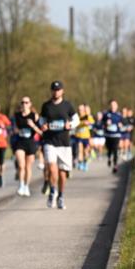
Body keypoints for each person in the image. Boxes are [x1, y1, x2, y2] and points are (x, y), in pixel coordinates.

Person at [39, 80, 78, 210]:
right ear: (51, 91)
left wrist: (70, 125)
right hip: (50, 141)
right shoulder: (46, 106)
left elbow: (76, 119)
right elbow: (42, 119)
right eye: (54, 90)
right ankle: (52, 192)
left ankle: (60, 196)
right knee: (52, 168)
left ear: (62, 91)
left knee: (62, 174)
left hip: (64, 143)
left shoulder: (67, 106)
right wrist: (43, 125)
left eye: (58, 90)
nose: (56, 92)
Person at [12, 96, 42, 197]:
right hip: (20, 142)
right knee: (21, 165)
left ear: (30, 104)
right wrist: (15, 130)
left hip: (31, 142)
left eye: (26, 102)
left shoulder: (35, 116)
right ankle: (21, 185)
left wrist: (33, 125)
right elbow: (13, 128)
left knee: (28, 167)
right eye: (23, 102)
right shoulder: (17, 115)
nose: (24, 104)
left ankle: (26, 186)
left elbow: (41, 132)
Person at [101, 100, 125, 173]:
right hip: (108, 135)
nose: (113, 106)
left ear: (117, 106)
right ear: (110, 106)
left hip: (116, 135)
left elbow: (123, 123)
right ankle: (109, 158)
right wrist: (106, 123)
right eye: (112, 105)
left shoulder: (119, 115)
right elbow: (101, 123)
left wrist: (121, 125)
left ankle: (115, 165)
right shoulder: (106, 114)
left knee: (115, 149)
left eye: (114, 105)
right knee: (109, 149)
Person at [73, 104, 94, 171]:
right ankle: (80, 163)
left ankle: (85, 163)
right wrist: (82, 123)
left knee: (86, 152)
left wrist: (88, 122)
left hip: (86, 137)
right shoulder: (77, 117)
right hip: (79, 137)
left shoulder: (87, 116)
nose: (80, 111)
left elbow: (92, 122)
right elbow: (75, 124)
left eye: (81, 109)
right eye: (79, 110)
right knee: (80, 150)